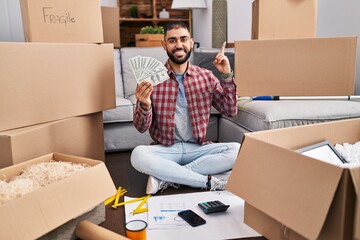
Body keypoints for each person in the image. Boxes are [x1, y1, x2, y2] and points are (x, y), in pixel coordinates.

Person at [131, 21, 240, 194]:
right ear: (164, 45)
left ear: (191, 42)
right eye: (172, 40)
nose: (179, 45)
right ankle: (205, 181)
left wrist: (226, 75)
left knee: (236, 150)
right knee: (138, 155)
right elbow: (140, 127)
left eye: (183, 39)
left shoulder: (206, 76)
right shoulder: (151, 79)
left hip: (197, 148)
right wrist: (145, 105)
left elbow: (230, 110)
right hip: (166, 149)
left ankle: (166, 177)